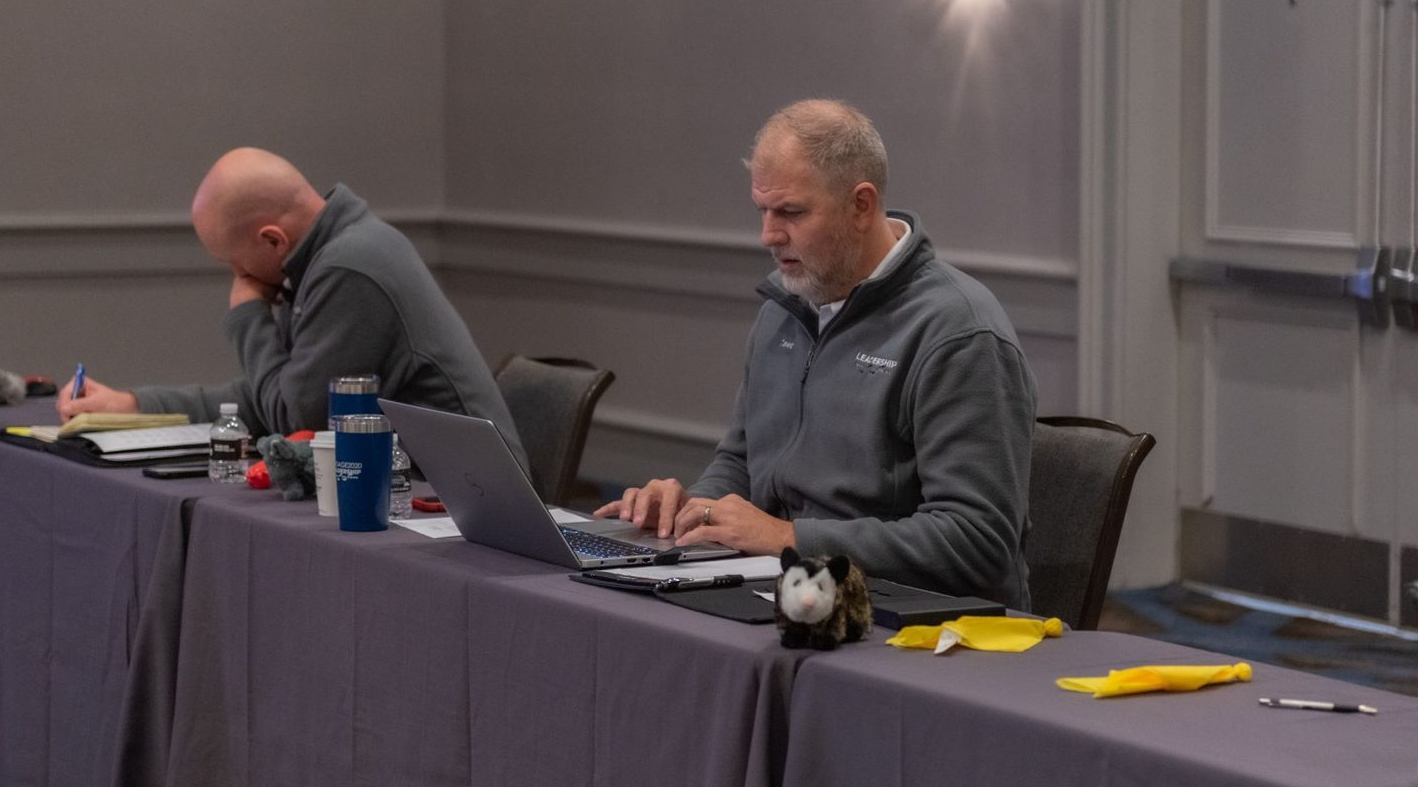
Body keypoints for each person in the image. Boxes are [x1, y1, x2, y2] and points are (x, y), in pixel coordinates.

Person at [596, 100, 1037, 608]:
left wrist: (789, 538)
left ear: (861, 206)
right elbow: (741, 463)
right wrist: (693, 506)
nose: (768, 235)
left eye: (791, 212)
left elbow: (979, 542)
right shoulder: (785, 308)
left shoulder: (958, 331)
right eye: (762, 210)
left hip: (913, 622)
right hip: (794, 592)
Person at [59, 148, 523, 456]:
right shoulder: (326, 255)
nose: (237, 278)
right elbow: (271, 396)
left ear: (272, 240)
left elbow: (296, 418)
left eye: (236, 265)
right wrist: (137, 404)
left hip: (464, 505)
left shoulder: (349, 266)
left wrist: (246, 315)